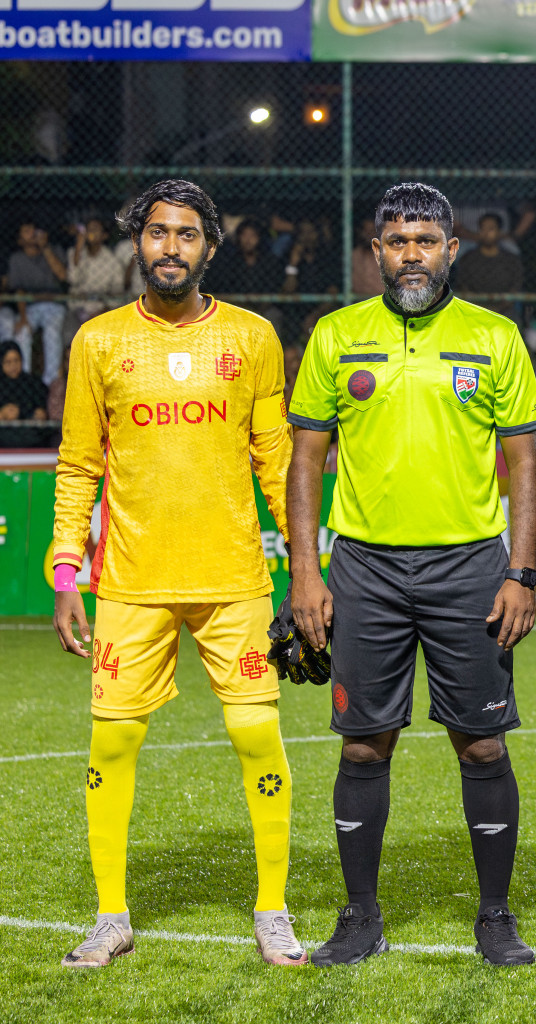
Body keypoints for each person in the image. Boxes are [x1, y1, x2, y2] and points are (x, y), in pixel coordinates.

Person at [286, 182, 536, 967]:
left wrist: (522, 572)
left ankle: (495, 917)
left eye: (426, 241)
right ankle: (360, 917)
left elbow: (526, 465)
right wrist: (306, 573)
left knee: (482, 747)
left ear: (451, 249)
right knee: (364, 746)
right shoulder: (336, 336)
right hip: (364, 568)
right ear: (375, 253)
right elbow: (305, 462)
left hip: (470, 566)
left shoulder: (495, 337)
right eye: (397, 242)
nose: (411, 255)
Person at [48, 179, 305, 968]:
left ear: (210, 247)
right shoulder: (97, 343)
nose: (170, 247)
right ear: (138, 244)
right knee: (113, 743)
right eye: (157, 233)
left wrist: (308, 571)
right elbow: (77, 467)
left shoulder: (254, 337)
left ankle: (271, 909)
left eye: (187, 235)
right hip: (130, 583)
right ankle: (111, 915)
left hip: (234, 580)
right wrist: (66, 571)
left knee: (256, 732)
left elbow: (277, 461)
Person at [6, 220, 69, 384]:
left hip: (54, 304)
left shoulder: (54, 250)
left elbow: (62, 276)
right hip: (30, 306)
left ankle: (51, 382)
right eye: (27, 231)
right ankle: (24, 380)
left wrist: (45, 248)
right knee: (22, 334)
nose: (33, 233)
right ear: (20, 240)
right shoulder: (17, 259)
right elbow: (19, 291)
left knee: (52, 333)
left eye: (34, 229)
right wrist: (22, 318)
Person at [453, 212, 524, 317]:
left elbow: (515, 290)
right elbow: (463, 289)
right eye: (483, 228)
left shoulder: (511, 260)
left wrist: (496, 310)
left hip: (504, 312)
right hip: (474, 311)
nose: (486, 233)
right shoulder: (468, 259)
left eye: (491, 229)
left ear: (499, 232)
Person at [67, 217, 128, 325]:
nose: (90, 232)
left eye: (95, 229)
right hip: (78, 307)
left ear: (104, 235)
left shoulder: (112, 261)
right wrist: (79, 246)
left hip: (102, 309)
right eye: (88, 229)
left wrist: (105, 310)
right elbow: (73, 279)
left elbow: (118, 291)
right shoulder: (74, 253)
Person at [205, 219, 284, 296]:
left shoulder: (269, 261)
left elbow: (273, 287)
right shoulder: (230, 261)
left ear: (259, 237)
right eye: (244, 235)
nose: (248, 240)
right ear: (239, 237)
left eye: (253, 235)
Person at [0, 338, 50, 446]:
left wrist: (38, 414)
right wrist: (2, 414)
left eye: (16, 360)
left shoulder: (33, 383)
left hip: (29, 435)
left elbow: (41, 410)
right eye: (8, 362)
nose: (13, 366)